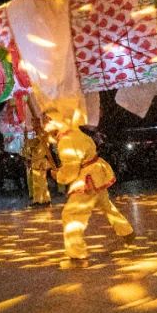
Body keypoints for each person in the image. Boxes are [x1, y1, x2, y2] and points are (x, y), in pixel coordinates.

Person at [46, 112, 134, 268]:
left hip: (88, 178)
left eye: (48, 120)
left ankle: (77, 255)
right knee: (106, 204)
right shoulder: (75, 132)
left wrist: (57, 175)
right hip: (96, 173)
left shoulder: (66, 140)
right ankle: (126, 231)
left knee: (71, 214)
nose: (45, 124)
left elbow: (71, 169)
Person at [23, 133, 53, 205]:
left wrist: (26, 138)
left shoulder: (42, 139)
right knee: (40, 182)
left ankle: (38, 201)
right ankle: (46, 200)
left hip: (39, 163)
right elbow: (28, 150)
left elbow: (30, 146)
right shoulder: (43, 139)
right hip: (37, 163)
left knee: (40, 183)